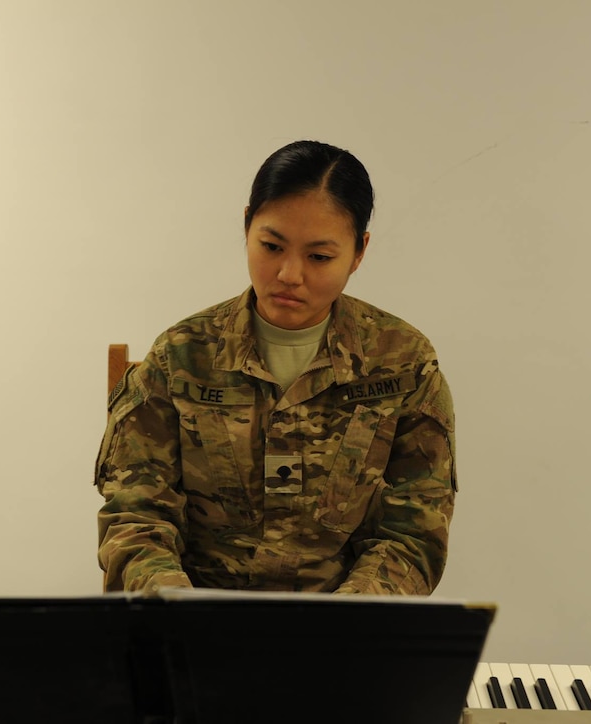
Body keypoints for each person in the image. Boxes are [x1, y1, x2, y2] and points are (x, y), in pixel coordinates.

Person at [94, 139, 456, 595]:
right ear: (247, 227)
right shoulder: (181, 357)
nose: (289, 274)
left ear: (359, 252)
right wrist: (180, 614)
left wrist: (351, 624)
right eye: (271, 245)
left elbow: (413, 533)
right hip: (198, 627)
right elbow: (136, 515)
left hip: (344, 635)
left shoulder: (402, 363)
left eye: (319, 257)